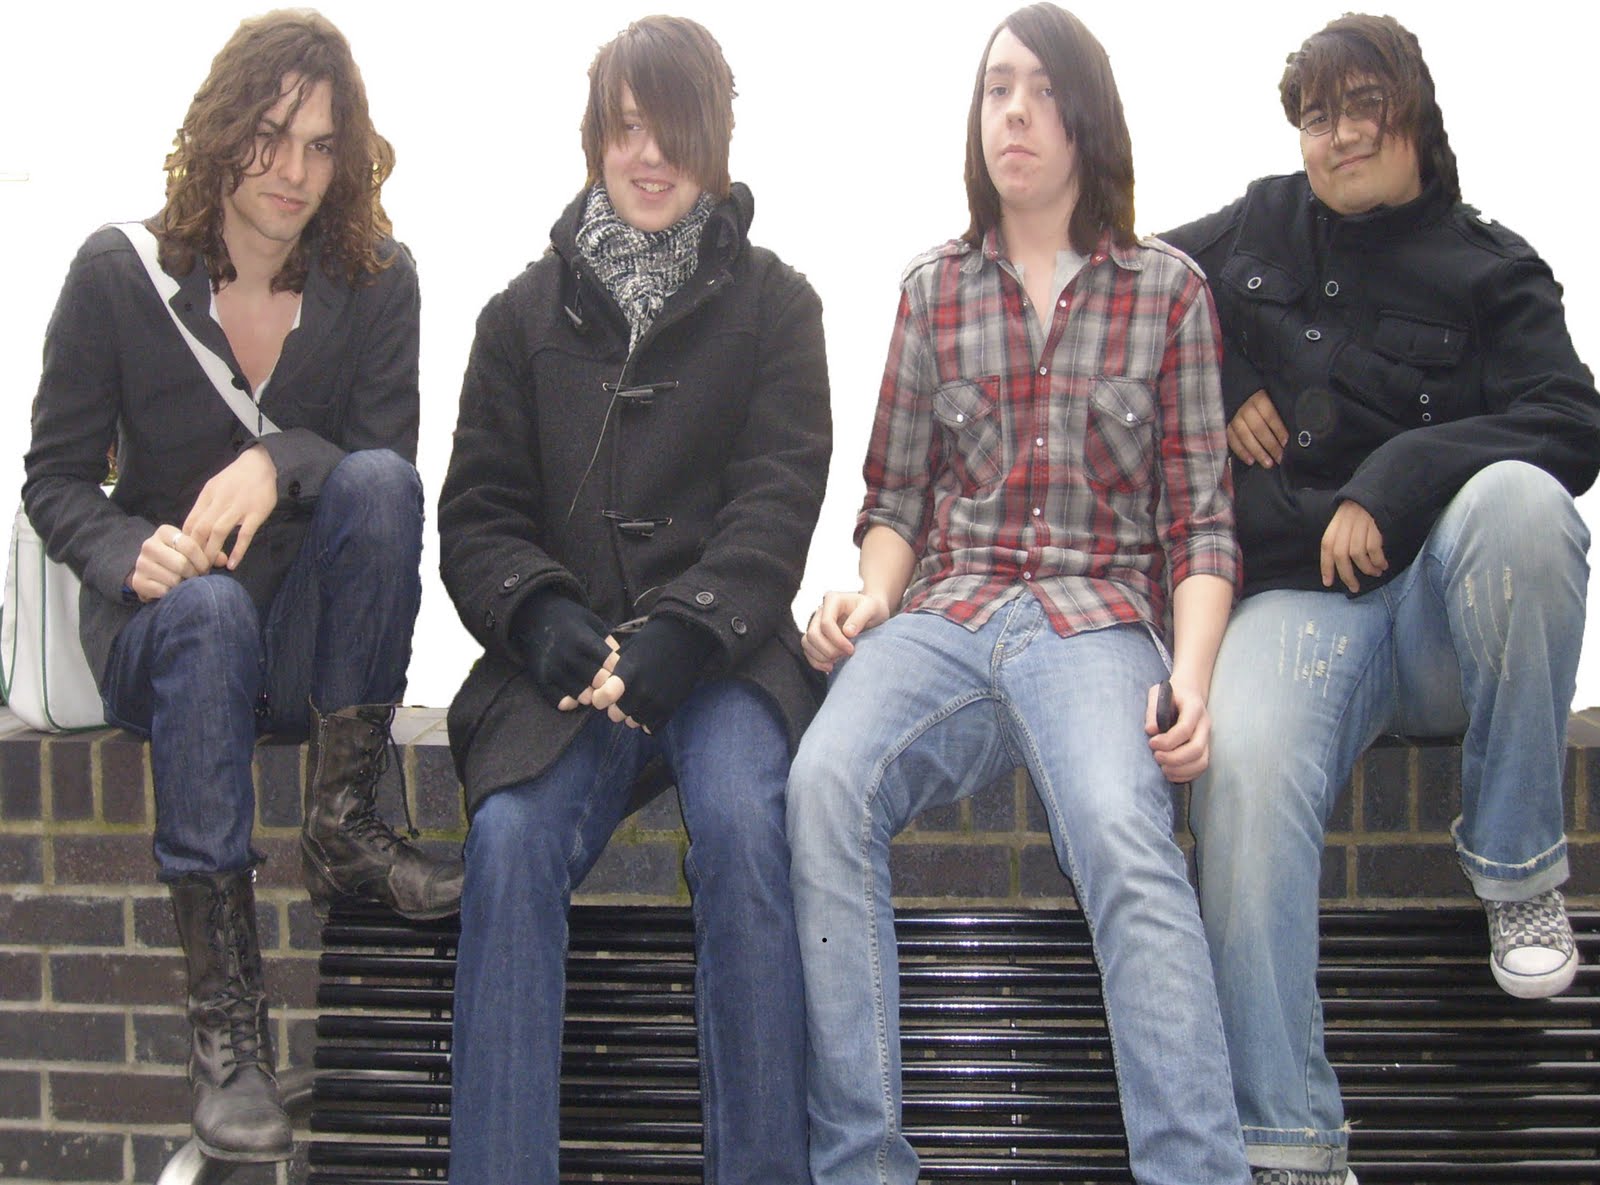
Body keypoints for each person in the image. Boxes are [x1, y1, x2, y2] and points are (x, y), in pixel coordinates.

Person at [786, 6, 1251, 1183]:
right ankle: (862, 1166)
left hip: (1097, 624)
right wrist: (869, 599)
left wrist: (1192, 683)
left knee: (1122, 833)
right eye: (997, 88)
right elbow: (896, 498)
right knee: (823, 783)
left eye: (1042, 90)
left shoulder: (1169, 292)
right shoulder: (930, 291)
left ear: (1087, 118)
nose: (1015, 113)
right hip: (945, 616)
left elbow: (1201, 521)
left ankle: (1195, 1171)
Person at [1162, 14, 1599, 1185]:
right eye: (1316, 116)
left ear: (1414, 116)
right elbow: (1137, 280)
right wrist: (1226, 376)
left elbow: (1570, 425)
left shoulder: (1492, 267)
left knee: (1522, 505)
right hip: (1294, 609)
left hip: (1444, 618)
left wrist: (1396, 480)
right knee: (1242, 766)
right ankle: (1287, 1145)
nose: (1340, 135)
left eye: (1364, 107)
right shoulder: (1256, 223)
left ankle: (1517, 873)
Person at [19, 9, 461, 1162]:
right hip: (164, 647)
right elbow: (55, 479)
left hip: (304, 650)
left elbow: (382, 468)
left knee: (375, 483)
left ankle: (343, 821)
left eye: (320, 146)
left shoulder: (377, 281)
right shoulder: (117, 276)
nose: (293, 172)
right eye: (270, 136)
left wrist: (280, 460)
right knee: (208, 610)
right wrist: (124, 550)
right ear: (222, 131)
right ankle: (226, 1031)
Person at [438, 15, 831, 1184]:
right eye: (623, 128)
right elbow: (478, 512)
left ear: (715, 140)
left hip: (725, 662)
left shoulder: (779, 305)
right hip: (563, 674)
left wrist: (691, 628)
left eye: (672, 130)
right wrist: (540, 615)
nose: (646, 155)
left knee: (748, 831)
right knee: (510, 840)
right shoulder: (517, 318)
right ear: (593, 140)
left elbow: (778, 498)